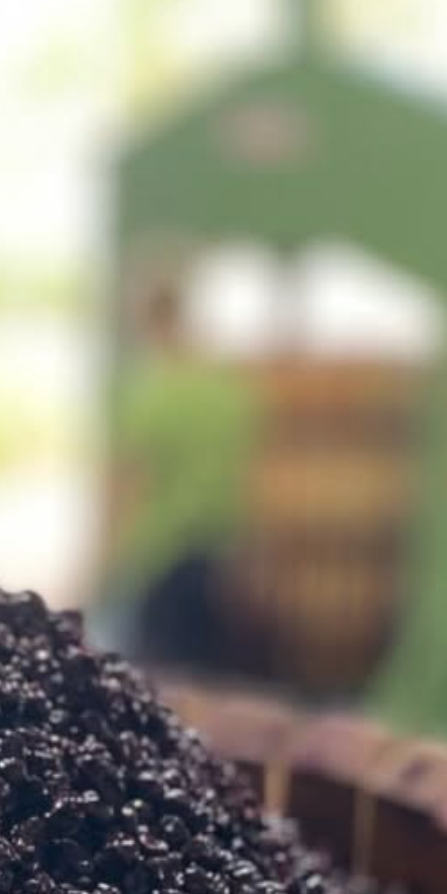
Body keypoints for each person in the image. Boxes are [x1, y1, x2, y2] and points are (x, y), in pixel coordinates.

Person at [103, 274, 261, 672]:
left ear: (145, 317)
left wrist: (103, 563)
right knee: (211, 685)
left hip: (160, 560)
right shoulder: (226, 388)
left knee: (157, 686)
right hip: (217, 559)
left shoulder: (152, 395)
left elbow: (126, 489)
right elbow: (249, 481)